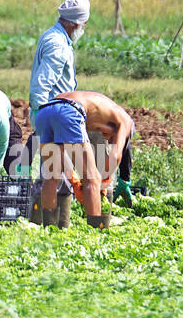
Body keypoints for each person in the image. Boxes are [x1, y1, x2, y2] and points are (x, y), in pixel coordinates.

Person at [35, 90, 133, 230]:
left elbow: (64, 159)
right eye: (112, 138)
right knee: (92, 179)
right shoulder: (126, 121)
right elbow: (116, 155)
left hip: (44, 112)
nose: (110, 140)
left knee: (51, 177)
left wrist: (74, 181)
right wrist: (103, 181)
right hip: (69, 109)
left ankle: (49, 229)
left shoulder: (99, 114)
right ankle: (96, 234)